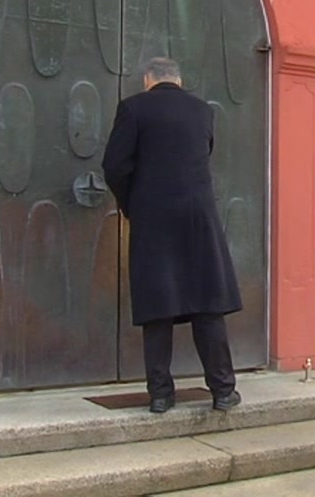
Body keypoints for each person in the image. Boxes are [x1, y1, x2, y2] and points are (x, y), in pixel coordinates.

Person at [101, 57, 243, 413]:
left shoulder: (133, 109)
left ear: (147, 79)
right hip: (199, 218)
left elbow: (114, 166)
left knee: (157, 307)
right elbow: (202, 155)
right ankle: (223, 391)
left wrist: (132, 204)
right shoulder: (202, 111)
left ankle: (161, 395)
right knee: (208, 305)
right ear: (179, 80)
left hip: (154, 219)